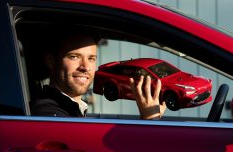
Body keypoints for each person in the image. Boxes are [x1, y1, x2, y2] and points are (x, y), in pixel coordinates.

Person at [31, 33, 166, 119]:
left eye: (91, 58)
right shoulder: (49, 114)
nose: (84, 67)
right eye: (74, 57)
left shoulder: (69, 109)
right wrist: (151, 120)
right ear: (50, 61)